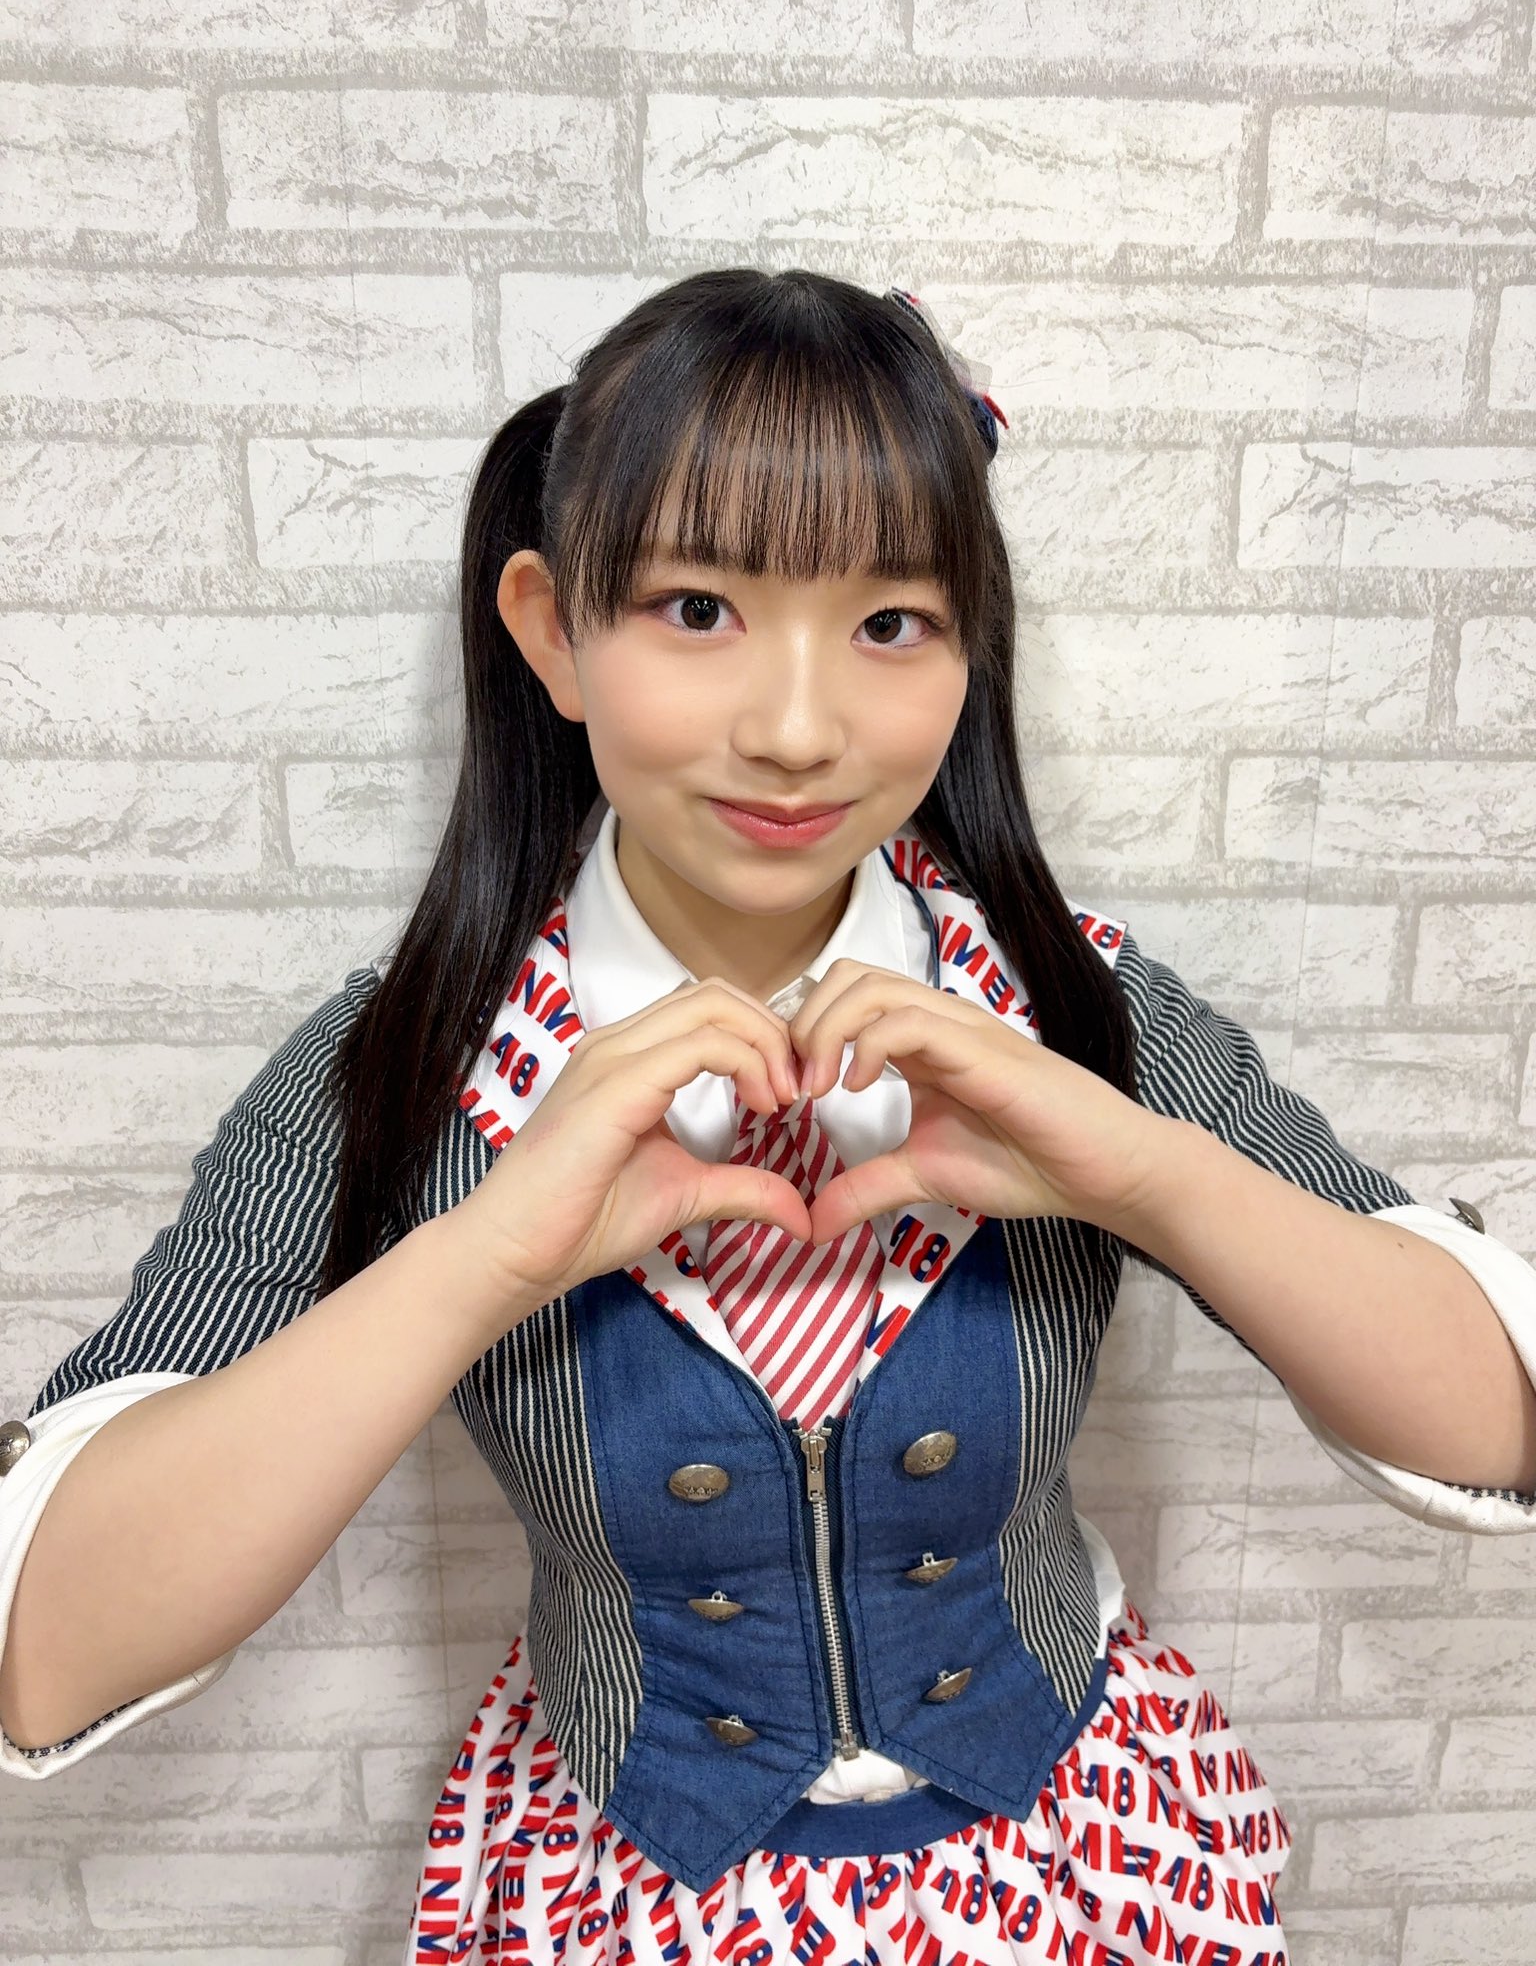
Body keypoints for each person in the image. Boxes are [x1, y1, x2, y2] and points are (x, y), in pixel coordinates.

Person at [2, 268, 1535, 1966]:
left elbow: (1497, 1428)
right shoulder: (403, 1065)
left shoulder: (1074, 1004)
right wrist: (488, 1254)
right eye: (697, 608)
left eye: (891, 625)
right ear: (550, 629)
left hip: (1083, 1864)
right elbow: (47, 1649)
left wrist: (1145, 1175)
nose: (799, 732)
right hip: (621, 1892)